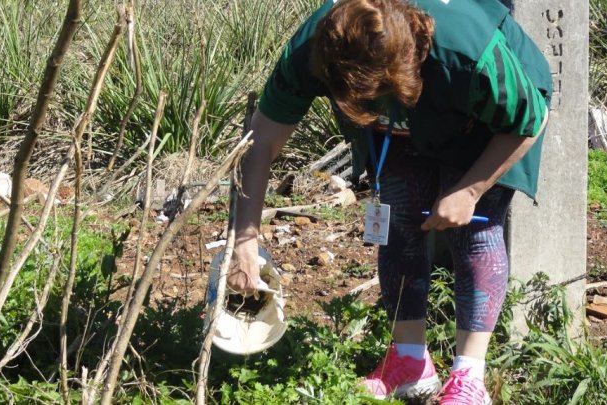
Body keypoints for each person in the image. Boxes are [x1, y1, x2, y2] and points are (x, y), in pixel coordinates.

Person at [227, 0, 552, 403]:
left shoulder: (468, 50)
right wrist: (244, 240)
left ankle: (469, 378)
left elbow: (529, 120)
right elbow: (261, 142)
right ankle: (410, 362)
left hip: (486, 116)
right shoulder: (314, 48)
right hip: (400, 115)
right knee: (397, 216)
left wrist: (470, 190)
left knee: (475, 229)